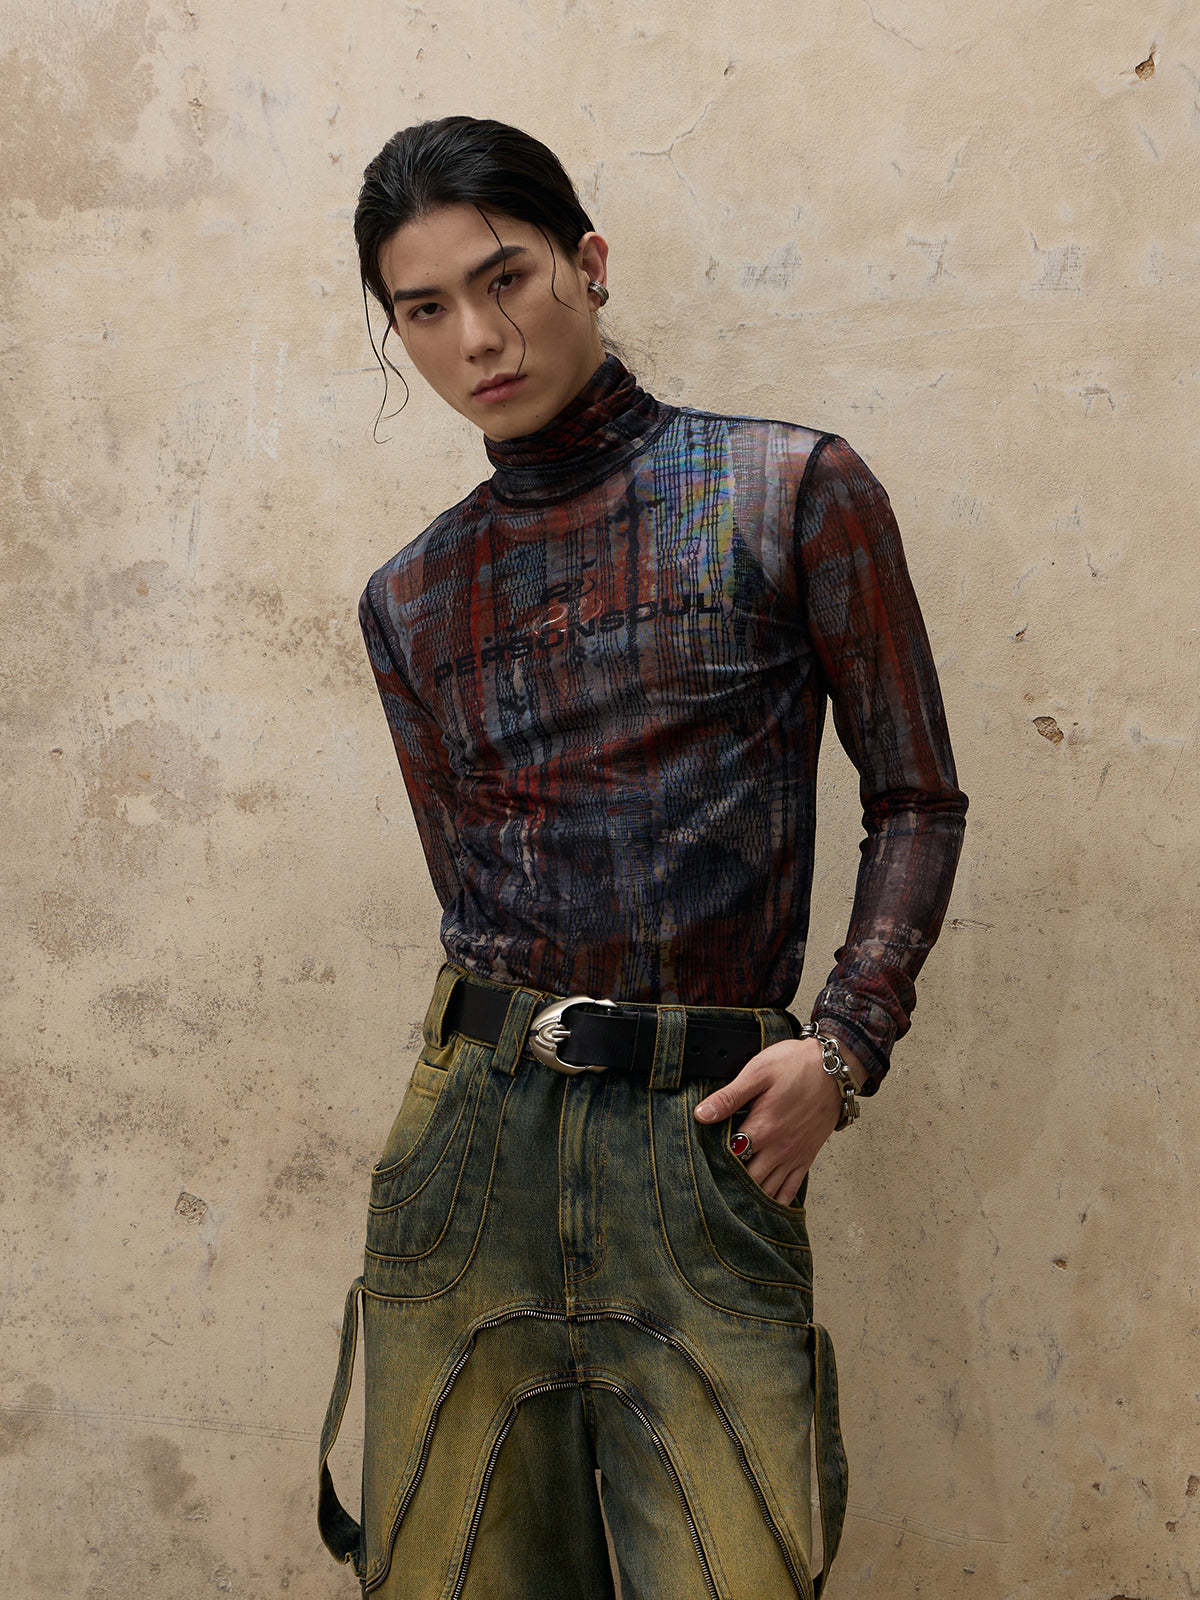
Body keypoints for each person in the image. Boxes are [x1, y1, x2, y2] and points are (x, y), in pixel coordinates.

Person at [318, 114, 967, 1600]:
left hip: (704, 1136)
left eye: (507, 278)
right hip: (471, 1146)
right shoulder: (410, 596)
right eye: (425, 309)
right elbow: (472, 883)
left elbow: (919, 799)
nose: (479, 338)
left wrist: (846, 1046)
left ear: (589, 263)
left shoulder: (790, 489)